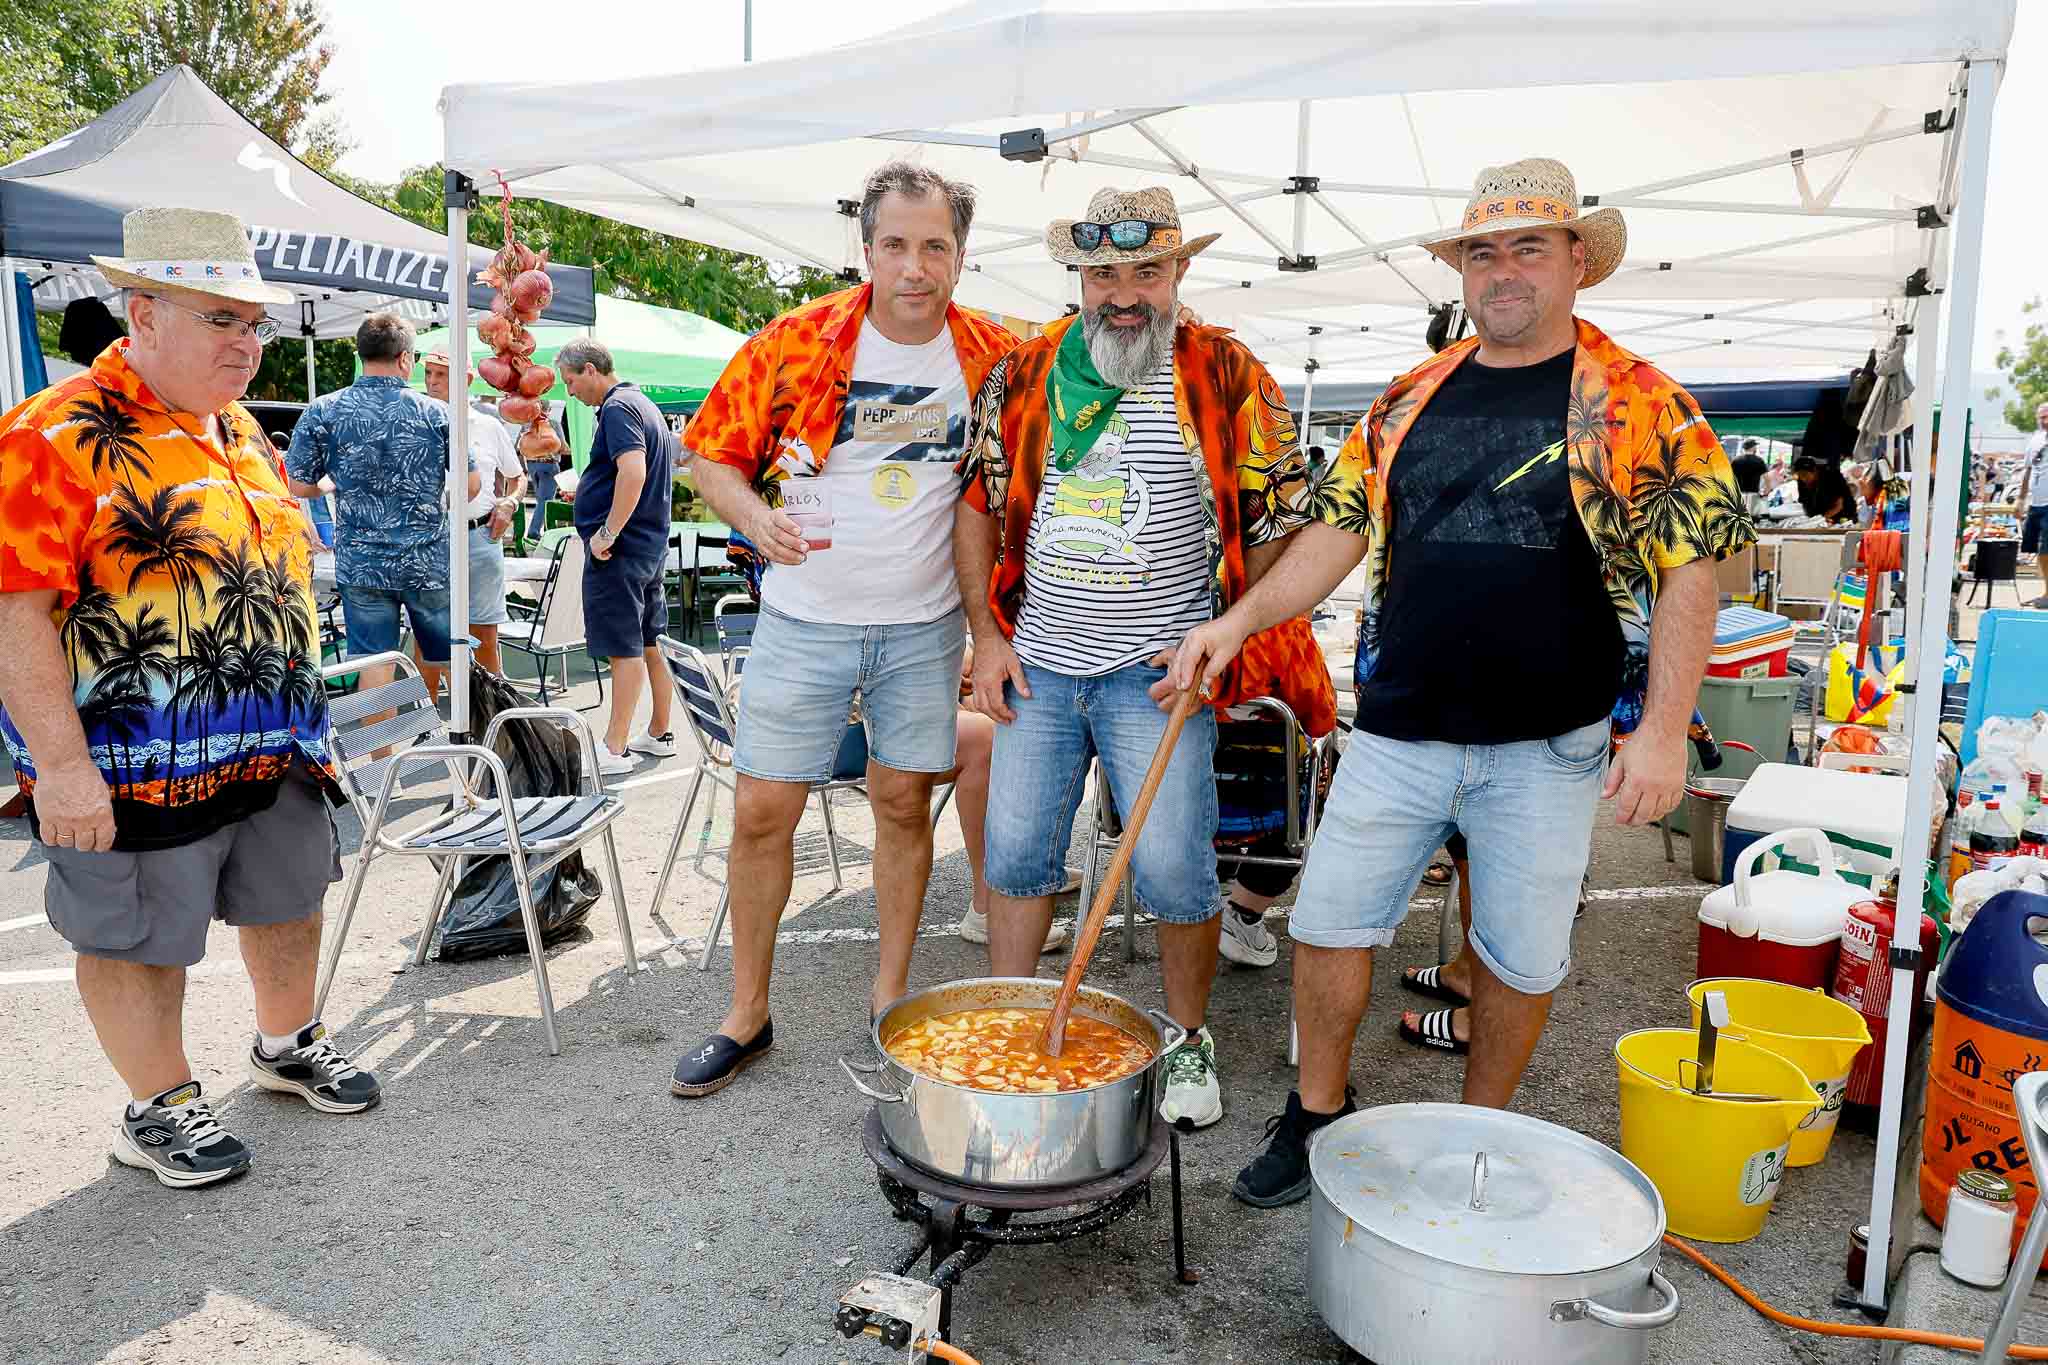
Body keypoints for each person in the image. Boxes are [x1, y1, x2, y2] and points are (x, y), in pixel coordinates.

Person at [1169, 157, 1750, 1205]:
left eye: (1528, 246)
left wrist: (1663, 730)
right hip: (1398, 729)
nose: (1502, 271)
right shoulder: (1406, 399)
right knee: (1326, 925)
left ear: (1577, 260)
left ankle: (1487, 1133)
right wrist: (1237, 620)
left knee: (1519, 958)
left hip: (1547, 744)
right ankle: (1313, 1113)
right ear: (1460, 273)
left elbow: (1689, 569)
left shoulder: (1638, 404)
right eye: (1481, 252)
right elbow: (1335, 530)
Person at [0, 207, 380, 1191]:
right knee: (135, 936)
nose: (248, 344)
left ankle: (286, 1041)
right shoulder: (54, 434)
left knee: (289, 899)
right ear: (144, 313)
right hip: (131, 762)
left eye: (254, 324)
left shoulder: (237, 431)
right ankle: (156, 1105)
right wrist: (64, 768)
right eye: (222, 320)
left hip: (275, 745)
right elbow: (14, 615)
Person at [958, 186, 1313, 1129]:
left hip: (1155, 678)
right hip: (1037, 664)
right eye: (1102, 273)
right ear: (1077, 277)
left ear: (1179, 272)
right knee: (1018, 857)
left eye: (1145, 271)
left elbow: (1283, 516)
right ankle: (1011, 1022)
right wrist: (987, 637)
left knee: (1174, 871)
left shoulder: (1228, 372)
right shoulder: (1024, 373)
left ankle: (1186, 1040)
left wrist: (1225, 624)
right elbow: (977, 508)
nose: (1124, 292)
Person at [670, 161, 1018, 1098]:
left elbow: (1010, 489)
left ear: (960, 256)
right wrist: (753, 518)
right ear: (866, 249)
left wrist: (992, 626)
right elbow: (708, 454)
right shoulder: (797, 342)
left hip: (922, 628)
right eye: (896, 244)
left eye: (935, 246)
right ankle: (747, 1012)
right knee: (760, 812)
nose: (915, 265)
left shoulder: (994, 356)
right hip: (802, 620)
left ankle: (891, 998)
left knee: (903, 804)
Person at [287, 312, 461, 702]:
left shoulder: (324, 411)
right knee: (449, 656)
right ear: (405, 359)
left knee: (373, 662)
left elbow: (298, 484)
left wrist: (330, 485)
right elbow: (471, 483)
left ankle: (381, 760)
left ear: (361, 353)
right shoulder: (436, 413)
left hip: (363, 564)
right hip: (427, 559)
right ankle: (469, 744)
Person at [558, 340, 680, 776]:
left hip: (622, 550)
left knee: (624, 646)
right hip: (647, 546)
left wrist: (606, 531)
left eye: (570, 381)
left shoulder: (618, 408)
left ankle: (615, 747)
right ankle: (661, 731)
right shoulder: (643, 404)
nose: (569, 392)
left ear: (590, 370)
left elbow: (633, 471)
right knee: (650, 641)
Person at [423, 351, 525, 675]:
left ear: (466, 381)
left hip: (481, 536)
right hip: (435, 538)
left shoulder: (489, 426)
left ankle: (493, 721)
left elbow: (517, 476)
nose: (432, 382)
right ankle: (431, 723)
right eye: (428, 373)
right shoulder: (418, 424)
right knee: (431, 637)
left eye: (441, 374)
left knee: (485, 638)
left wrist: (510, 503)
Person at [2016, 402, 2048, 607]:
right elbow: (2028, 471)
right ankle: (2045, 590)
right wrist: (2020, 499)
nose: (2045, 420)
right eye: (2042, 417)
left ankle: (2047, 594)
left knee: (2046, 550)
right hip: (2036, 505)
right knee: (2035, 549)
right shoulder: (2034, 440)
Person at [1792, 453, 1855, 523]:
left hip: (1843, 517)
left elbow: (1838, 506)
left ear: (1815, 471)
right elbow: (1804, 503)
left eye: (1805, 475)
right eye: (1799, 475)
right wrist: (1811, 519)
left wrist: (1820, 519)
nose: (1803, 479)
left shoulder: (1832, 477)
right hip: (1820, 518)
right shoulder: (1801, 481)